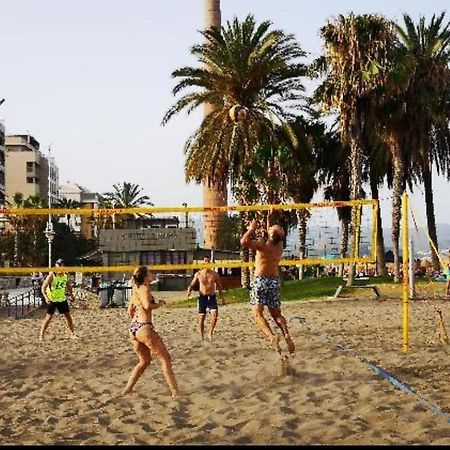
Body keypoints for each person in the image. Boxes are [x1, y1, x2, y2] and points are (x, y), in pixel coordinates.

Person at [123, 266, 180, 398]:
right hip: (144, 327)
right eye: (150, 273)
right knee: (165, 358)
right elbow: (147, 306)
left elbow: (129, 312)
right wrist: (159, 304)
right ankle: (175, 391)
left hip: (133, 328)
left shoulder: (135, 290)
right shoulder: (145, 288)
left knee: (144, 361)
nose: (152, 274)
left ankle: (128, 389)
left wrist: (138, 318)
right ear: (145, 277)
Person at [240, 218, 295, 355]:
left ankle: (271, 337)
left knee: (257, 314)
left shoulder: (263, 245)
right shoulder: (279, 247)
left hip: (260, 280)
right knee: (277, 315)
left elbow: (244, 242)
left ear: (271, 235)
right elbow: (273, 233)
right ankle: (286, 334)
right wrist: (269, 218)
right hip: (274, 281)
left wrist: (252, 228)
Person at [187, 256, 226, 340]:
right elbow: (192, 284)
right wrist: (189, 290)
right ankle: (201, 335)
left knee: (215, 315)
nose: (207, 263)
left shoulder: (214, 274)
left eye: (208, 261)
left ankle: (210, 333)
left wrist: (222, 298)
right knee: (202, 318)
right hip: (202, 298)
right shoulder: (198, 274)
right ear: (203, 263)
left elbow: (219, 286)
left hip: (212, 297)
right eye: (205, 261)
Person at [39, 258, 77, 341]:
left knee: (68, 317)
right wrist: (46, 297)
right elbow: (43, 287)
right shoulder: (52, 275)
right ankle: (41, 335)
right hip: (52, 299)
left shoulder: (65, 275)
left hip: (62, 299)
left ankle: (72, 334)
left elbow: (68, 286)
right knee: (48, 318)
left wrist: (72, 295)